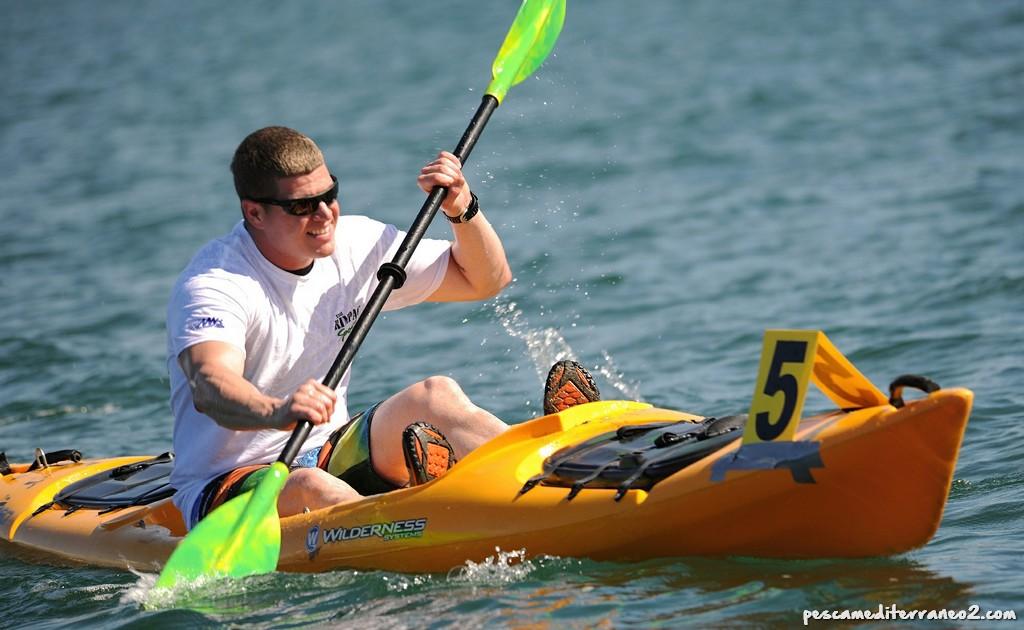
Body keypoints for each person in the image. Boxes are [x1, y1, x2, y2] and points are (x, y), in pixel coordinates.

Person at [166, 126, 599, 530]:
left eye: (329, 194)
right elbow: (211, 386)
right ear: (254, 213)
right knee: (311, 487)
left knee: (436, 395)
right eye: (301, 206)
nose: (324, 214)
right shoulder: (216, 284)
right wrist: (277, 413)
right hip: (228, 481)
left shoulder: (355, 244)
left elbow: (486, 280)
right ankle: (427, 514)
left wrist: (462, 208)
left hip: (326, 448)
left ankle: (556, 468)